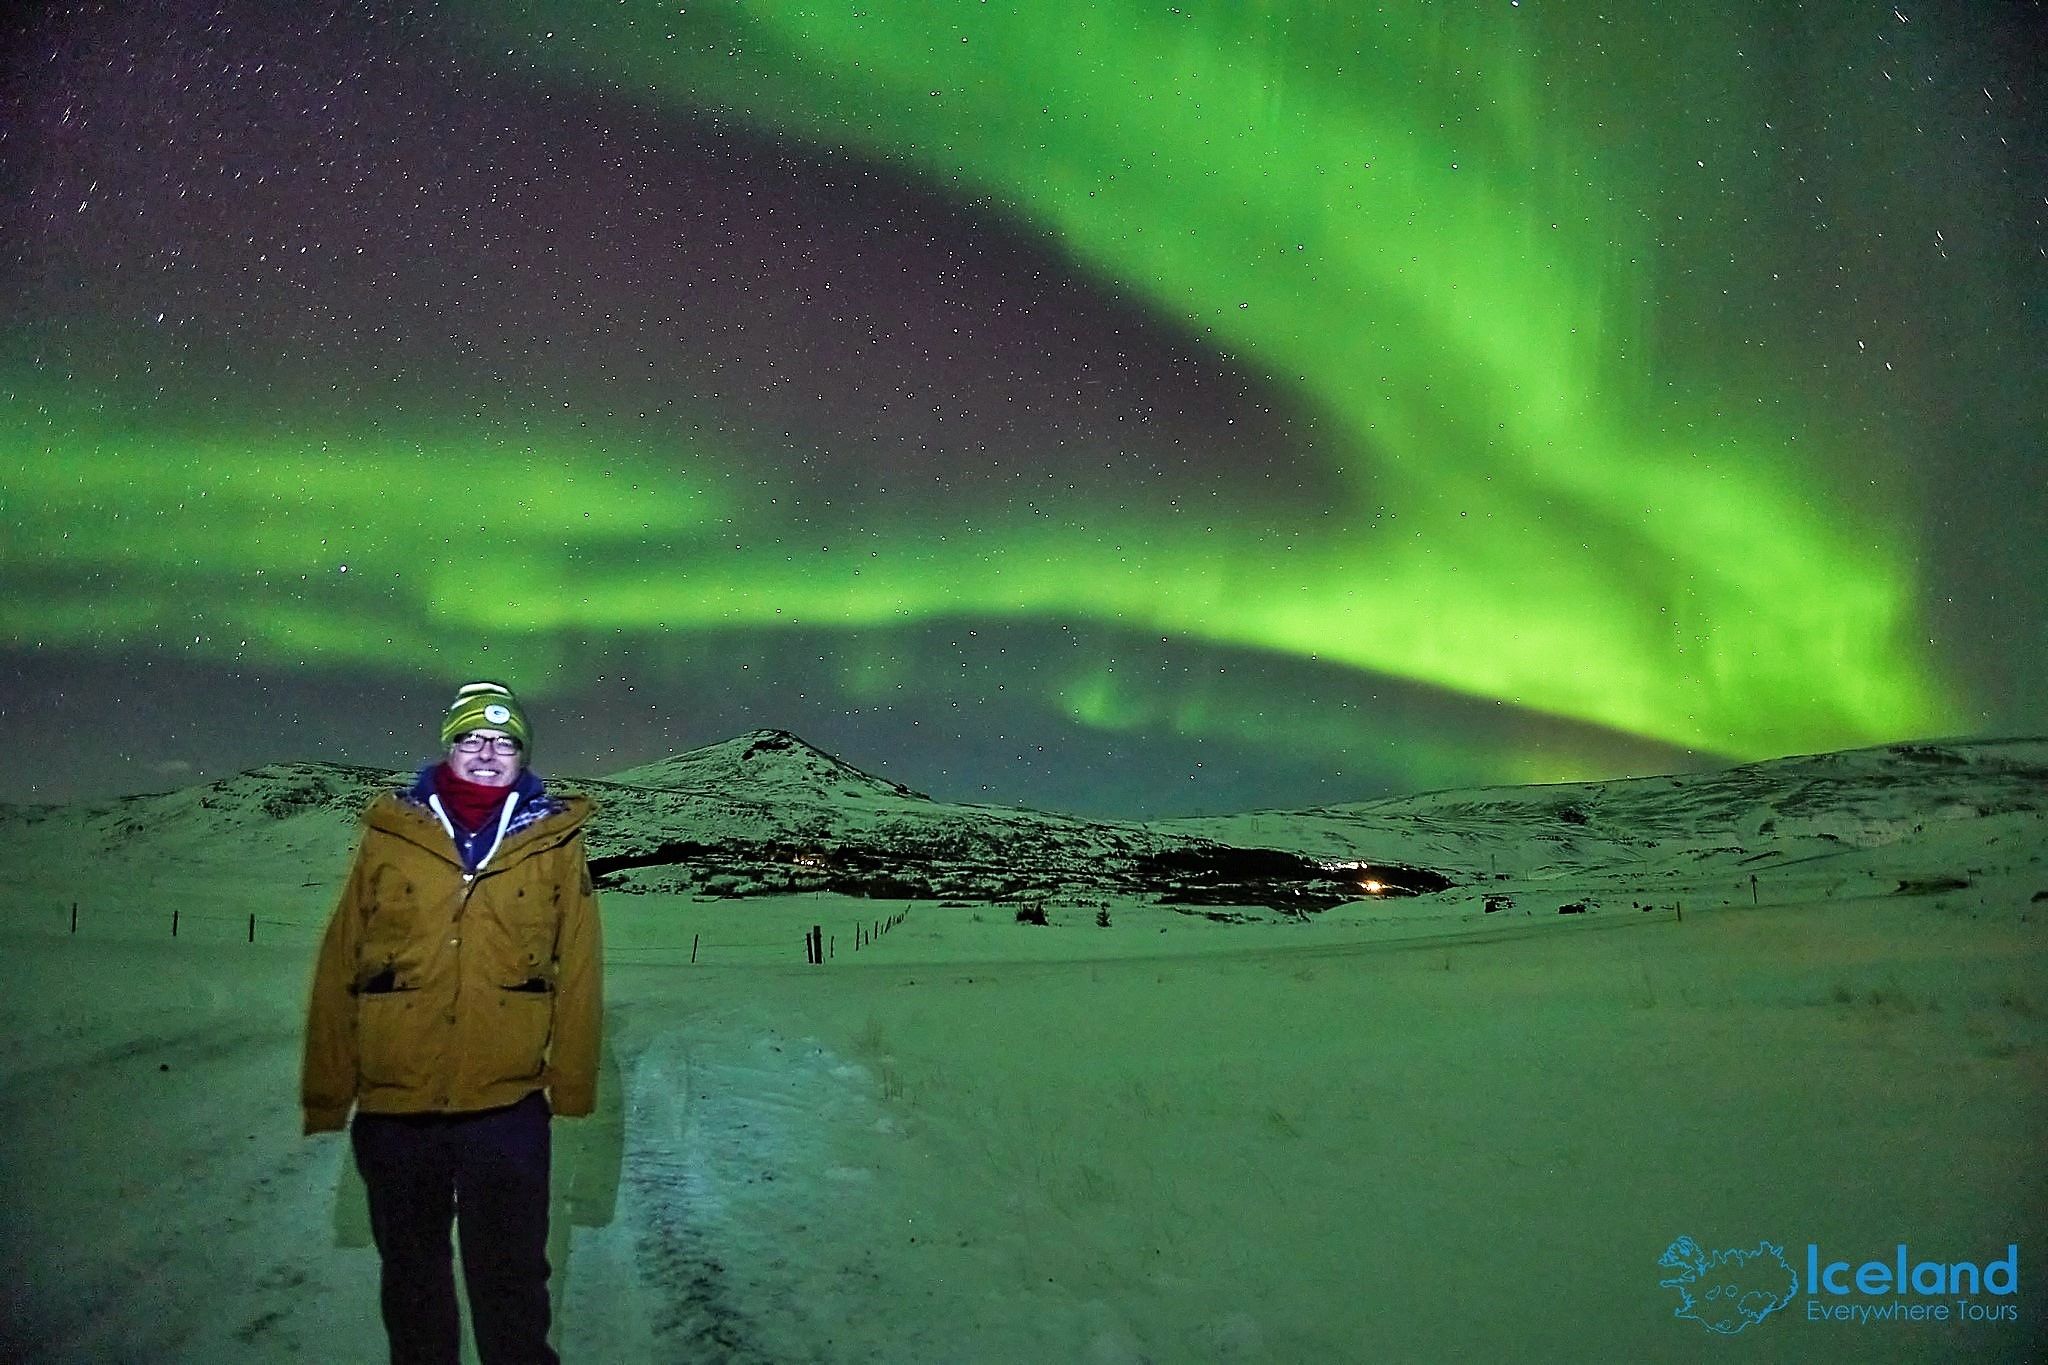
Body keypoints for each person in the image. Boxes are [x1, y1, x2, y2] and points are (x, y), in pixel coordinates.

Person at [302, 681, 602, 1365]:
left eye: (505, 741)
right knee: (412, 1285)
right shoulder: (391, 835)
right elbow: (340, 957)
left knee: (513, 1284)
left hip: (507, 1105)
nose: (488, 752)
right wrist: (328, 1086)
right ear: (449, 747)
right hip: (396, 1106)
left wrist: (574, 1083)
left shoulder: (554, 842)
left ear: (522, 755)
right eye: (473, 738)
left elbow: (581, 971)